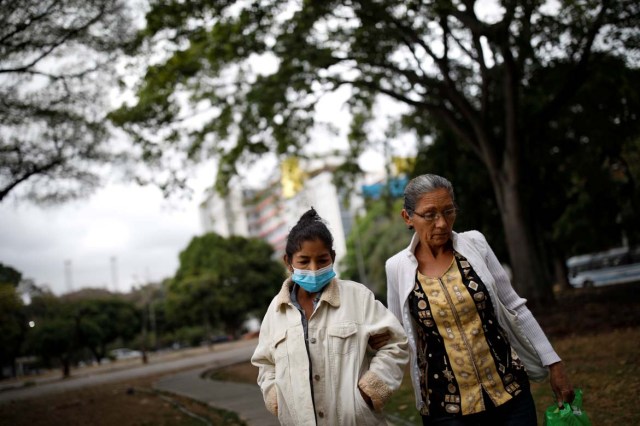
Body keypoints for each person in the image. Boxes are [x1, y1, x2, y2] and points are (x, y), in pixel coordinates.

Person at [385, 174, 574, 425]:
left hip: (509, 393)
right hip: (445, 407)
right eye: (430, 215)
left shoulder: (475, 244)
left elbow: (514, 305)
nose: (442, 223)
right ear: (408, 218)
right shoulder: (397, 267)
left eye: (449, 211)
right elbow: (396, 336)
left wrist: (554, 363)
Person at [252, 208, 409, 425]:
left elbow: (396, 343)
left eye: (322, 259)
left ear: (332, 257)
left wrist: (370, 391)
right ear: (288, 262)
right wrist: (276, 399)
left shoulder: (357, 297)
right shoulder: (276, 311)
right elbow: (265, 363)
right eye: (304, 261)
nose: (314, 269)